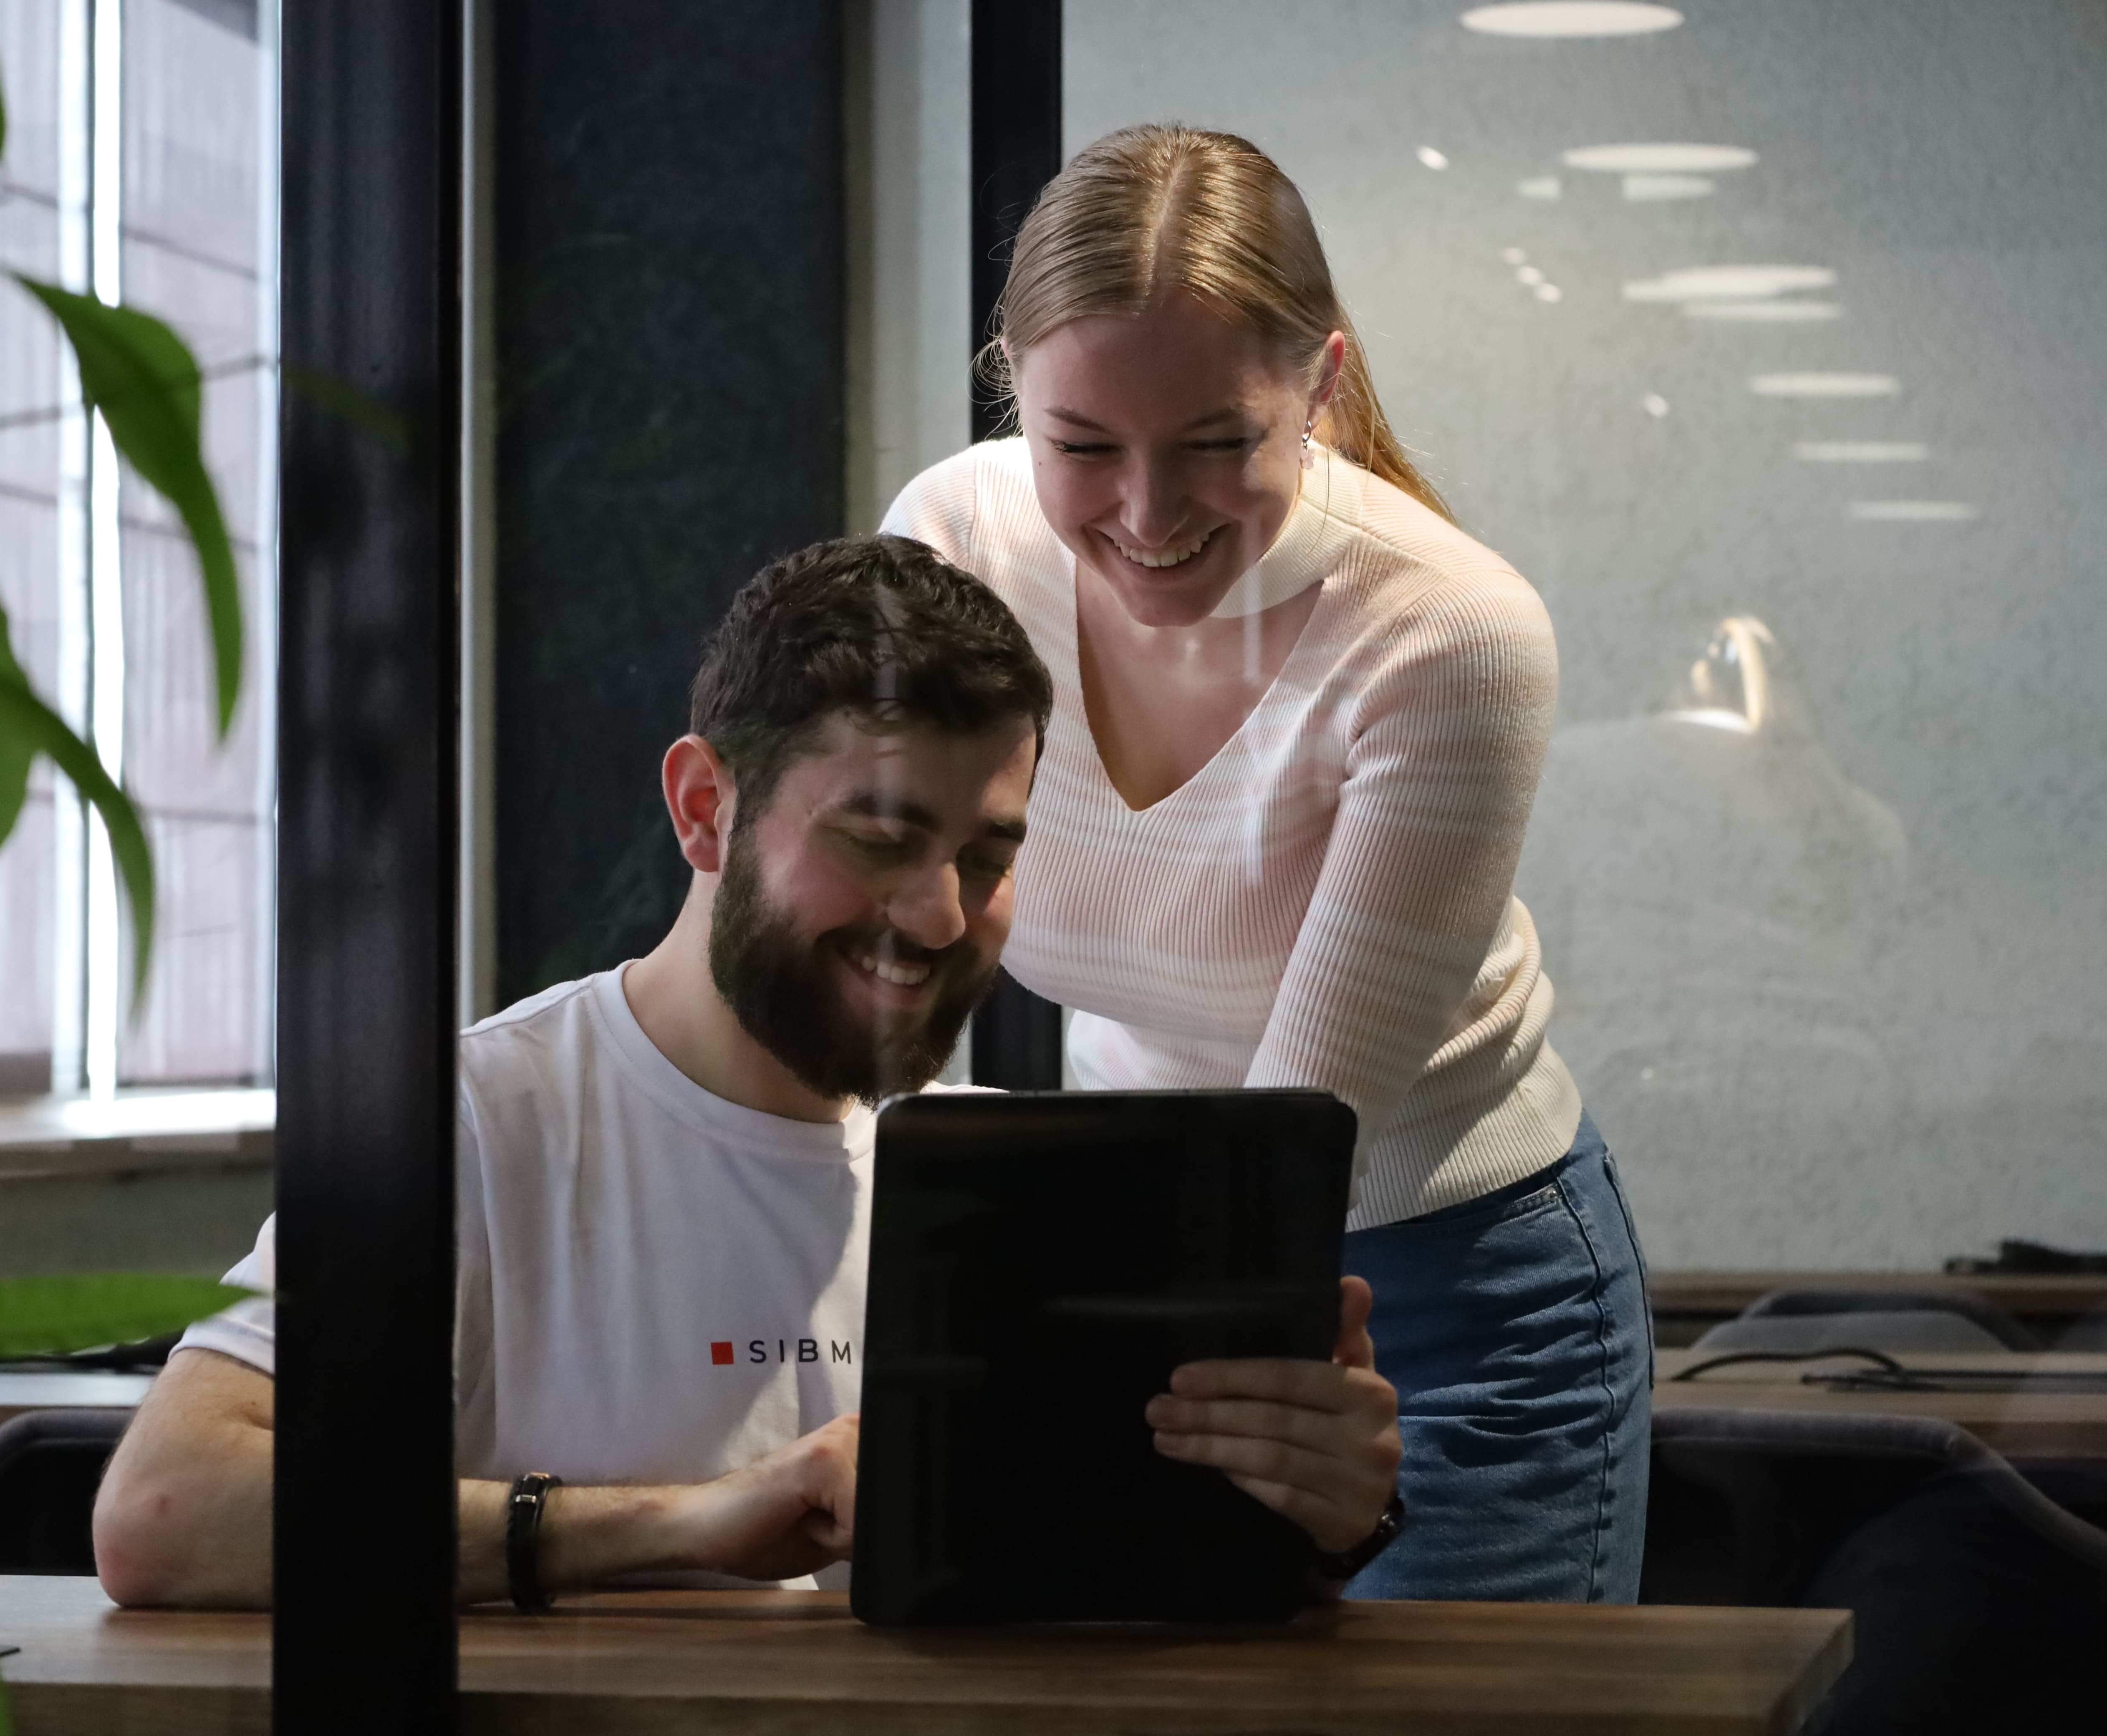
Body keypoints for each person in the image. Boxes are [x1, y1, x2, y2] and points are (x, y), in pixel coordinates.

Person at [92, 534, 1402, 1608]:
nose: (942, 914)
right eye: (880, 839)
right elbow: (164, 1512)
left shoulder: (1013, 1179)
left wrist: (1318, 1521)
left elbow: (1123, 1591)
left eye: (987, 858)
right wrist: (689, 1524)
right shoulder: (478, 1126)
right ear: (704, 810)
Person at [882, 124, 1649, 1603]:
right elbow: (881, 926)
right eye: (1082, 448)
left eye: (1218, 444)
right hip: (1147, 1242)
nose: (1149, 513)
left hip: (1450, 1287)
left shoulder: (1447, 633)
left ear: (1322, 385)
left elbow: (1296, 1138)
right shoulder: (956, 540)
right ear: (1013, 389)